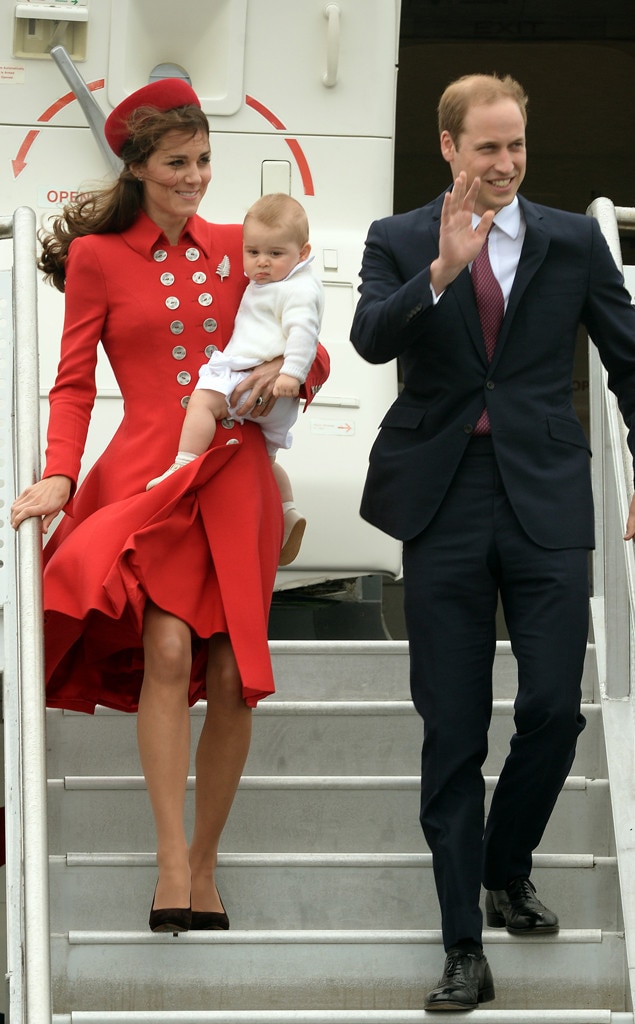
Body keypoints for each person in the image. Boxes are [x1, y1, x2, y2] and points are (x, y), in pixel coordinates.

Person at [10, 78, 329, 934]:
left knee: (229, 675)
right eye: (178, 163)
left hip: (236, 473)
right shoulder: (97, 257)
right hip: (148, 475)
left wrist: (289, 375)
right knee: (163, 645)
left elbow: (308, 326)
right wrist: (61, 475)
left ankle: (211, 859)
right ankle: (170, 861)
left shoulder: (243, 244)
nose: (196, 177)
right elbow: (74, 384)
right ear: (139, 166)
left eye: (204, 161)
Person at [350, 72, 635, 1011]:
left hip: (545, 497)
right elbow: (366, 342)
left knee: (554, 706)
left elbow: (627, 356)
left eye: (515, 146)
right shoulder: (396, 240)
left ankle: (505, 865)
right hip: (443, 501)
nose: (505, 164)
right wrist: (438, 272)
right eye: (487, 148)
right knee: (452, 729)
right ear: (448, 149)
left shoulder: (571, 237)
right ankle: (462, 946)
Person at [147, 192, 324, 566]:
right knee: (267, 459)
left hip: (253, 382)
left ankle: (182, 464)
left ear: (302, 253)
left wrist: (290, 371)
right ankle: (289, 511)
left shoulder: (295, 287)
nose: (261, 262)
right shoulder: (277, 272)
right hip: (275, 402)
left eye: (275, 255)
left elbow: (308, 336)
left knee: (203, 402)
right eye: (254, 253)